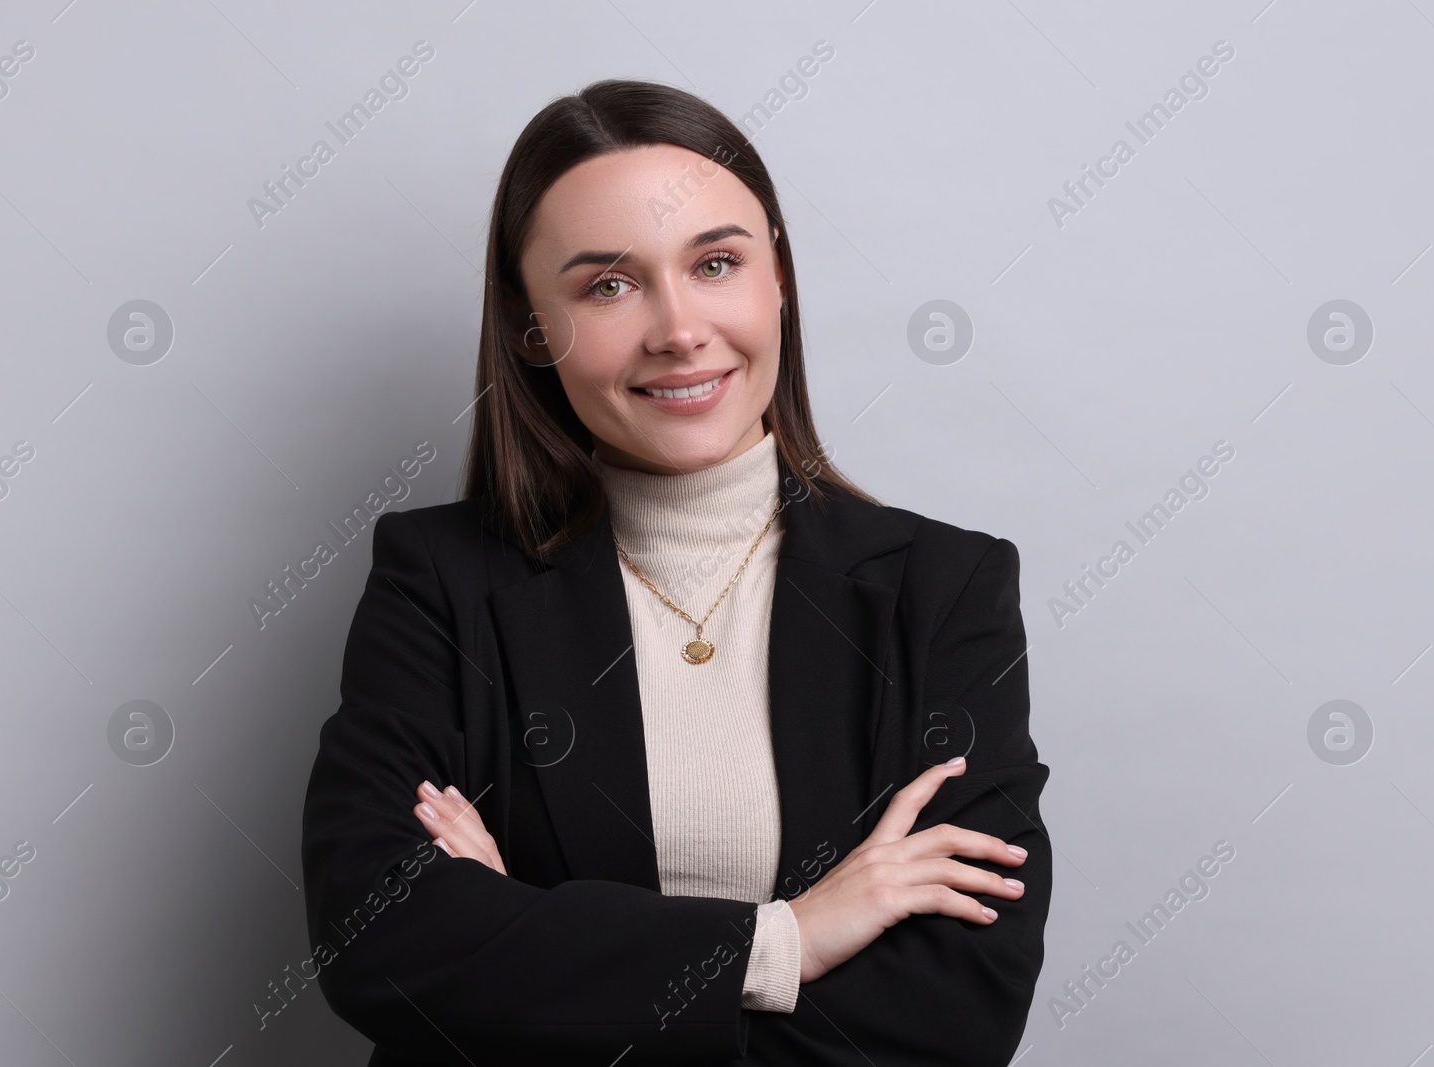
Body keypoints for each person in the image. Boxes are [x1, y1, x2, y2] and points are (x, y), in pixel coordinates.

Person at [300, 78, 1051, 1066]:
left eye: (715, 262)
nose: (678, 328)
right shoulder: (439, 583)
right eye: (607, 284)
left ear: (775, 277)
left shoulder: (945, 590)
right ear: (534, 328)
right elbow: (378, 945)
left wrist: (526, 935)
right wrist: (785, 938)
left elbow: (951, 1022)